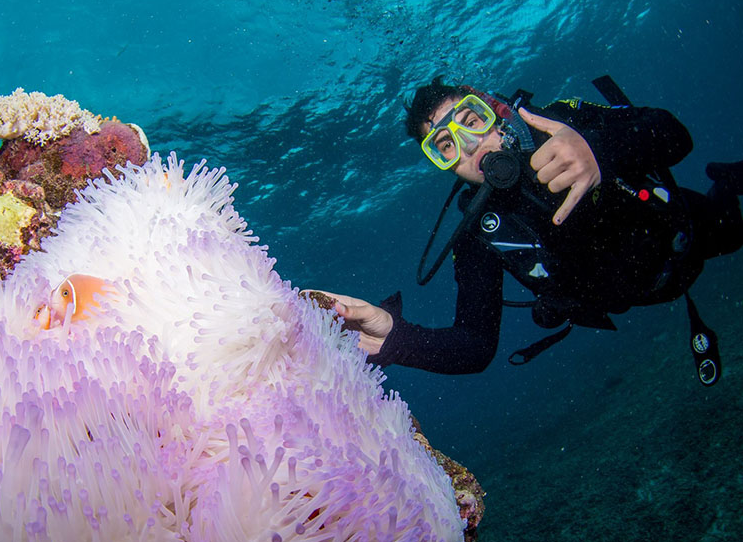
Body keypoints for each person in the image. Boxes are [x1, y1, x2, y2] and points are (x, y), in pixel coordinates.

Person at [315, 76, 743, 385]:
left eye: (471, 120)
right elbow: (475, 345)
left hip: (691, 230)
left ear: (496, 113)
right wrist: (397, 336)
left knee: (736, 228)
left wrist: (598, 150)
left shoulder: (559, 122)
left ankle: (726, 181)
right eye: (445, 146)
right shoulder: (479, 231)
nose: (467, 145)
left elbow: (674, 135)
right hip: (645, 295)